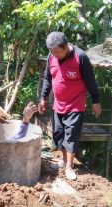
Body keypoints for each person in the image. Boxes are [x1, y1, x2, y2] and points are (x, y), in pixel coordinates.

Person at [38, 31, 101, 180]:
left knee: (71, 135)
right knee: (58, 134)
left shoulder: (80, 57)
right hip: (57, 103)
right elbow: (47, 78)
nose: (55, 55)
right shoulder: (51, 57)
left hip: (75, 104)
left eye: (58, 52)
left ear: (66, 46)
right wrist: (43, 97)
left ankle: (69, 167)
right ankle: (63, 161)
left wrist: (96, 101)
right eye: (52, 52)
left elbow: (90, 81)